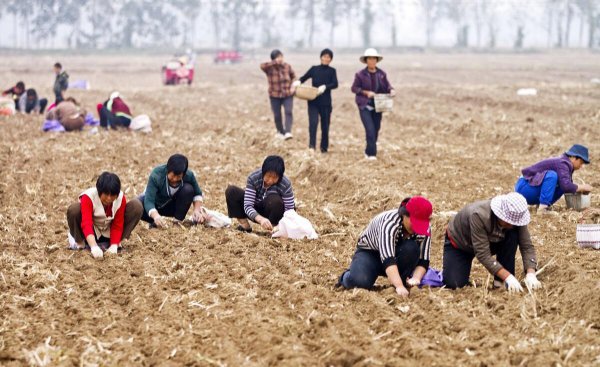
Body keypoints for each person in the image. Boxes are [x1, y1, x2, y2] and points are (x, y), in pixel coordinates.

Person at [443, 192, 542, 293]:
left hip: (491, 241)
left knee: (512, 234)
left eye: (514, 222)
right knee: (454, 285)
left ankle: (500, 283)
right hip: (461, 244)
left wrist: (531, 274)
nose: (512, 224)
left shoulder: (517, 217)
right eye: (508, 222)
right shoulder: (479, 215)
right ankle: (505, 278)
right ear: (500, 214)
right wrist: (508, 277)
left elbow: (527, 246)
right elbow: (482, 253)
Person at [335, 197, 433, 297]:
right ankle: (346, 277)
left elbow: (423, 260)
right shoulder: (389, 223)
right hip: (371, 253)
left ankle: (401, 280)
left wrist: (416, 278)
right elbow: (388, 259)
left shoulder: (425, 229)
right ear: (404, 215)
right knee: (360, 282)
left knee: (411, 248)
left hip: (398, 252)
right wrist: (399, 286)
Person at [66, 172, 143, 259]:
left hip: (109, 231)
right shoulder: (88, 197)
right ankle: (81, 243)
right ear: (99, 191)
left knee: (136, 206)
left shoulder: (120, 199)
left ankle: (114, 243)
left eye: (113, 195)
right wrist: (94, 246)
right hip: (91, 233)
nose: (109, 198)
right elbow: (86, 223)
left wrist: (114, 245)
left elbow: (117, 224)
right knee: (74, 209)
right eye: (106, 194)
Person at [225, 155, 295, 232]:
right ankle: (245, 226)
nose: (270, 180)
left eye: (274, 178)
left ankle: (274, 229)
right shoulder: (253, 178)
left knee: (275, 200)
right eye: (268, 176)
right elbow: (248, 205)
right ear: (263, 171)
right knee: (232, 191)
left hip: (274, 211)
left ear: (280, 176)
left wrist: (280, 225)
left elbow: (290, 210)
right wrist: (261, 219)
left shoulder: (285, 183)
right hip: (255, 208)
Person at [515, 144, 593, 214]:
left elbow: (567, 187)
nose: (581, 166)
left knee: (563, 184)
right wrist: (583, 187)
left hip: (528, 190)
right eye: (581, 162)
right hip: (524, 187)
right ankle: (542, 209)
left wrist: (578, 190)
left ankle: (541, 206)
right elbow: (566, 186)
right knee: (553, 176)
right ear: (573, 157)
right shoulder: (563, 163)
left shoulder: (565, 164)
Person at [351, 48, 396, 160]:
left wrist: (391, 90)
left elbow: (387, 86)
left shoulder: (381, 74)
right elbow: (354, 88)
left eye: (374, 59)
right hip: (364, 106)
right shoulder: (360, 74)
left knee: (376, 129)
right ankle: (372, 154)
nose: (372, 61)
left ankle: (368, 150)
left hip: (378, 105)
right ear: (366, 60)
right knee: (369, 129)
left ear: (377, 60)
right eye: (369, 59)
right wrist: (366, 93)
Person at [139, 154, 207, 228]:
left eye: (178, 177)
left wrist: (197, 210)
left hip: (173, 207)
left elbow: (197, 194)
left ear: (184, 174)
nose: (174, 179)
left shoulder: (189, 175)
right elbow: (149, 200)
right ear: (167, 170)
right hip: (156, 204)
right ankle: (155, 222)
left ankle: (177, 222)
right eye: (172, 176)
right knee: (138, 204)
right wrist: (156, 216)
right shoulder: (157, 174)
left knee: (188, 189)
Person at [294, 48, 339, 153]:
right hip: (313, 101)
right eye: (324, 56)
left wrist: (325, 87)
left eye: (328, 57)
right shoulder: (314, 69)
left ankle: (324, 148)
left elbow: (335, 84)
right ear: (320, 57)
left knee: (325, 126)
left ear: (331, 59)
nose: (326, 59)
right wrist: (298, 82)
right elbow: (304, 77)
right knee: (313, 124)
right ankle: (312, 147)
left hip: (326, 103)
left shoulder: (332, 71)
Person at [260, 50, 297, 140]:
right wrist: (274, 63)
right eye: (278, 57)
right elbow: (262, 66)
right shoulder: (269, 68)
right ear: (273, 59)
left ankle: (288, 132)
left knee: (288, 112)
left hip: (287, 94)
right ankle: (280, 131)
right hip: (274, 95)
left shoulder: (287, 66)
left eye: (281, 57)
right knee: (277, 115)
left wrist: (293, 86)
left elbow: (294, 77)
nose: (280, 59)